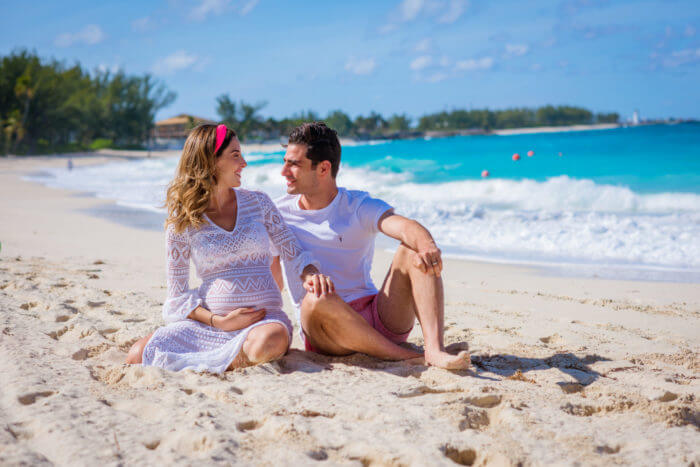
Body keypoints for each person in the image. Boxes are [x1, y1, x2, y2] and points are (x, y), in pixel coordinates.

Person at [126, 124, 328, 373]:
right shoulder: (183, 220)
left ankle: (198, 364)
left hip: (263, 323)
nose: (243, 162)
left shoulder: (258, 202)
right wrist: (219, 322)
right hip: (210, 326)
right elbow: (177, 296)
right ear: (210, 161)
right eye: (235, 155)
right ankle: (216, 361)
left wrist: (310, 273)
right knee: (138, 354)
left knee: (267, 343)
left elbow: (292, 251)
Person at [272, 122, 470, 370]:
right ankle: (406, 356)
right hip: (326, 331)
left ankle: (434, 349)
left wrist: (426, 245)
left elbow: (404, 226)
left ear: (324, 168)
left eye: (294, 164)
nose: (284, 171)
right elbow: (271, 280)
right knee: (316, 299)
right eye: (286, 162)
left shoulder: (356, 205)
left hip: (378, 317)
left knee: (412, 249)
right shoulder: (277, 215)